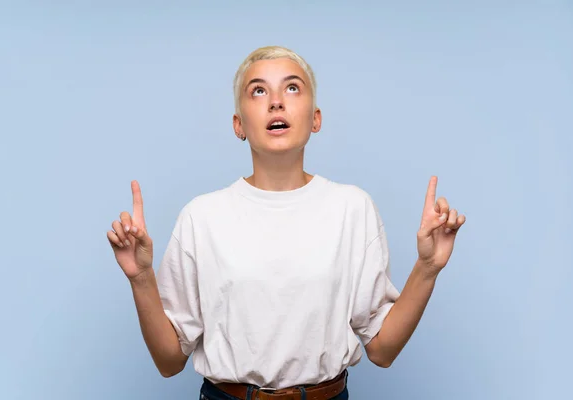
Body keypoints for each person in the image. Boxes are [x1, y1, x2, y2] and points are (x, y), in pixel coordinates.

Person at [106, 45, 466, 400]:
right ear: (238, 124)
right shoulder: (202, 217)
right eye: (258, 90)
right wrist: (141, 279)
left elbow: (383, 350)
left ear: (316, 118)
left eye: (292, 87)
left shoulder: (351, 208)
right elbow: (169, 361)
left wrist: (428, 267)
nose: (276, 101)